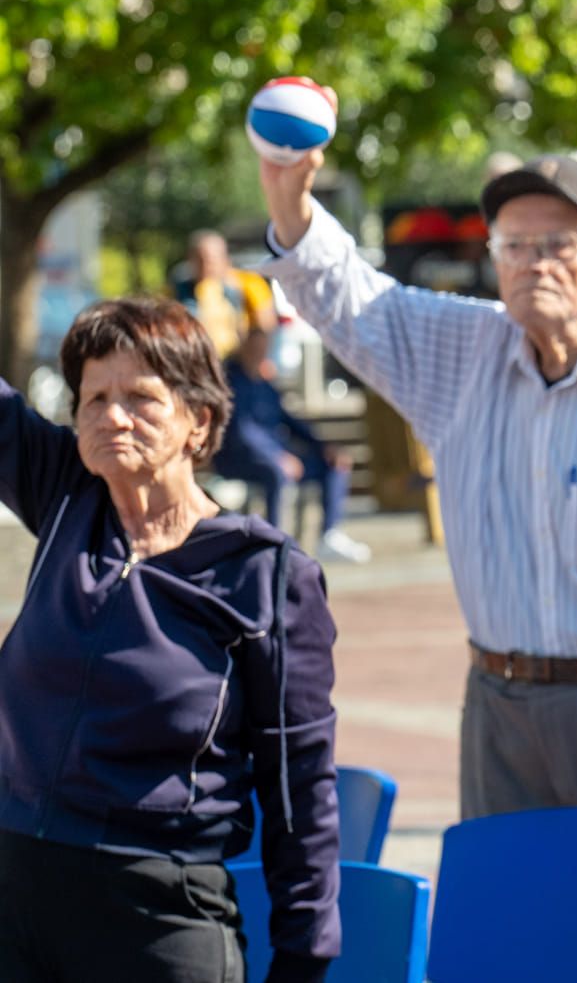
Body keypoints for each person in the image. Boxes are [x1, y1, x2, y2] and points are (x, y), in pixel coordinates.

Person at [255, 151, 577, 980]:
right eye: (514, 245)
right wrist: (289, 198)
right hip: (501, 714)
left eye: (558, 245)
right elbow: (349, 299)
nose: (533, 264)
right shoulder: (464, 353)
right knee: (522, 944)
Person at [0, 297, 340, 983]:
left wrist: (304, 955)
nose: (112, 416)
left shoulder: (264, 575)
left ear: (199, 420)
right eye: (94, 398)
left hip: (157, 914)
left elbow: (299, 784)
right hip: (15, 897)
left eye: (141, 398)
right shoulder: (68, 496)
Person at [215, 325, 373, 565]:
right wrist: (277, 456)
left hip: (276, 455)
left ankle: (329, 535)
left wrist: (323, 447)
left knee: (333, 465)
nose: (259, 353)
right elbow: (242, 431)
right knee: (278, 473)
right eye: (254, 348)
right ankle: (274, 543)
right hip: (240, 459)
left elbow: (289, 420)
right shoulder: (232, 383)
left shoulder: (264, 384)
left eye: (262, 349)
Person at [182, 229, 278, 358]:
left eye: (211, 260)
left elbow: (266, 326)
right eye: (200, 260)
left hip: (239, 359)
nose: (206, 266)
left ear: (225, 258)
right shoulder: (181, 288)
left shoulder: (249, 283)